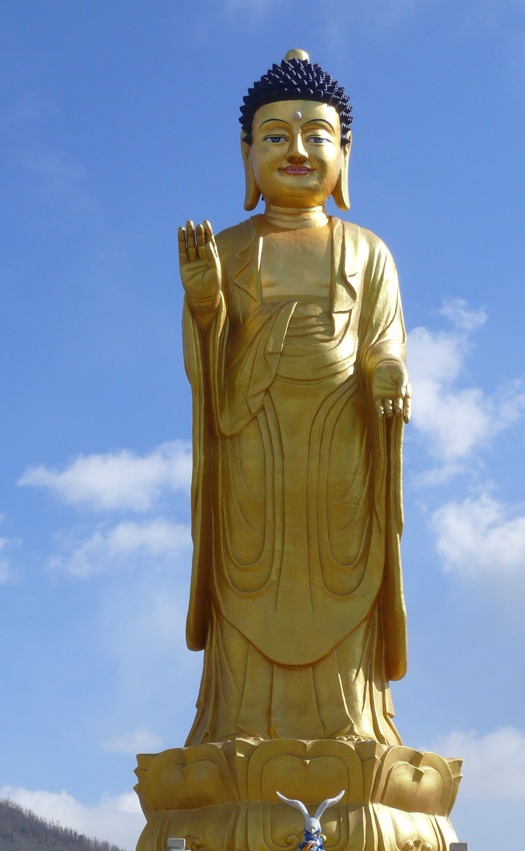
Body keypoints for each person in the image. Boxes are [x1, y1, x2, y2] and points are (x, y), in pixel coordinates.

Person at [178, 51, 411, 747]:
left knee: (347, 577)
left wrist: (388, 373)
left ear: (345, 151)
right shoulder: (230, 246)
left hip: (343, 454)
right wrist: (204, 303)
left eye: (316, 135)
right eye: (276, 136)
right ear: (247, 153)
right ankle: (236, 729)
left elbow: (384, 337)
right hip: (253, 451)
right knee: (246, 579)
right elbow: (206, 363)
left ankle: (355, 730)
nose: (298, 150)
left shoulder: (369, 251)